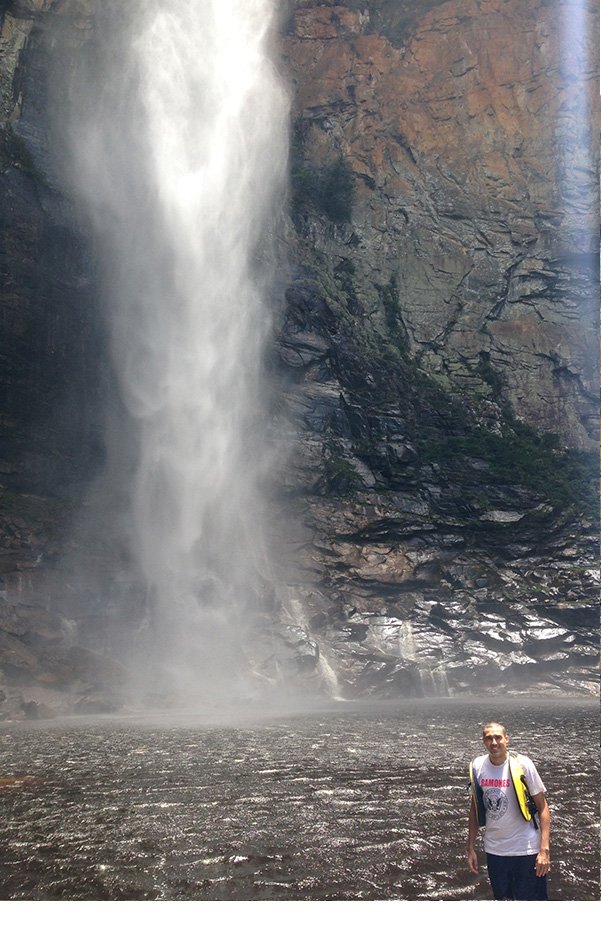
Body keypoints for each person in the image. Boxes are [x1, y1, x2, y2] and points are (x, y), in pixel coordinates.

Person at [466, 721, 551, 901]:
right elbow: (474, 809)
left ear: (506, 739)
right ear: (483, 741)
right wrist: (471, 847)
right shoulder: (477, 766)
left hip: (526, 850)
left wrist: (544, 850)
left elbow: (543, 807)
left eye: (498, 737)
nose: (494, 742)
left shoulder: (523, 765)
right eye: (489, 738)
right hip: (495, 851)